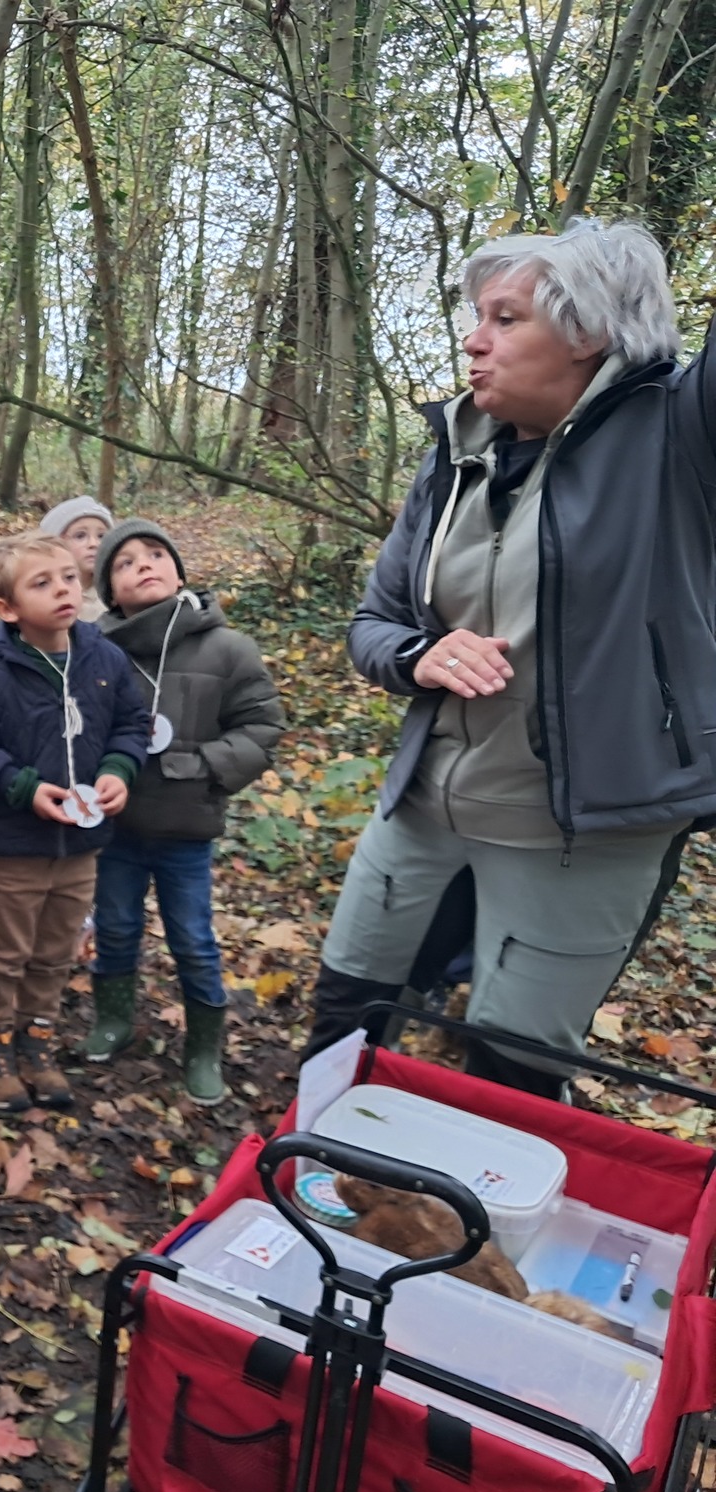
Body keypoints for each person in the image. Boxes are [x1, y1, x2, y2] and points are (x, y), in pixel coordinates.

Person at [305, 219, 716, 1097]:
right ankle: (316, 1175)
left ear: (588, 333)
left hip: (583, 833)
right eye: (476, 316)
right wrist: (420, 654)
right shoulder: (456, 457)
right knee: (345, 1021)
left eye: (504, 318)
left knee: (509, 1073)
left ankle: (474, 1193)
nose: (473, 340)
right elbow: (374, 623)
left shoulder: (681, 433)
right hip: (425, 807)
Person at [87, 519, 286, 1104]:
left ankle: (203, 1048)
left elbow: (262, 726)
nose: (143, 565)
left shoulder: (228, 648)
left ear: (178, 571)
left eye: (155, 554)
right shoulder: (94, 650)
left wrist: (200, 765)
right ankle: (113, 1019)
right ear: (109, 590)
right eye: (124, 563)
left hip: (186, 829)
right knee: (115, 927)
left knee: (194, 939)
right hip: (116, 827)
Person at [0, 534, 148, 1113]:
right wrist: (25, 788)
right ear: (7, 608)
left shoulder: (104, 658)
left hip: (82, 843)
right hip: (14, 843)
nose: (63, 589)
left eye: (68, 577)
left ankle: (35, 1037)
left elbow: (131, 723)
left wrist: (118, 770)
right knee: (7, 951)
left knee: (56, 949)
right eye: (42, 583)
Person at [38, 494, 114, 622]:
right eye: (80, 536)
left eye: (101, 536)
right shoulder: (40, 596)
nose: (93, 544)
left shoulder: (114, 596)